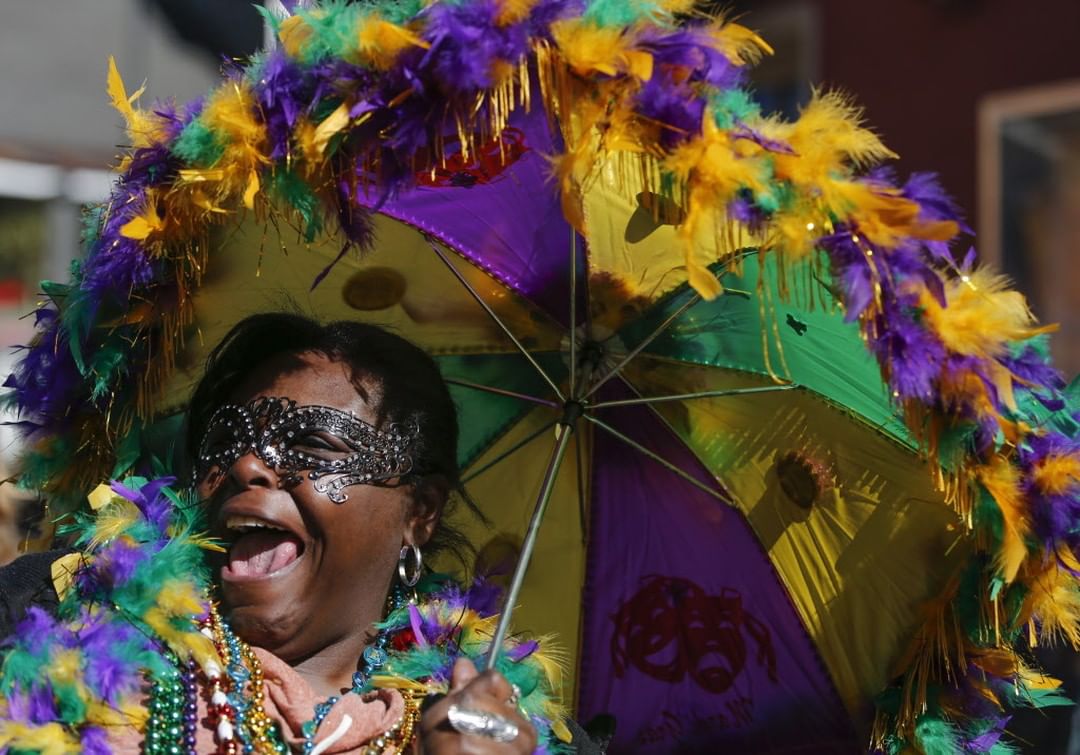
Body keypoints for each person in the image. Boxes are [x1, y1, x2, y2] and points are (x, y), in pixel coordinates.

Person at [0, 312, 579, 754]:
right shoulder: (48, 610)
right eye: (228, 438)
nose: (248, 466)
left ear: (419, 511)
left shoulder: (506, 733)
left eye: (312, 445)